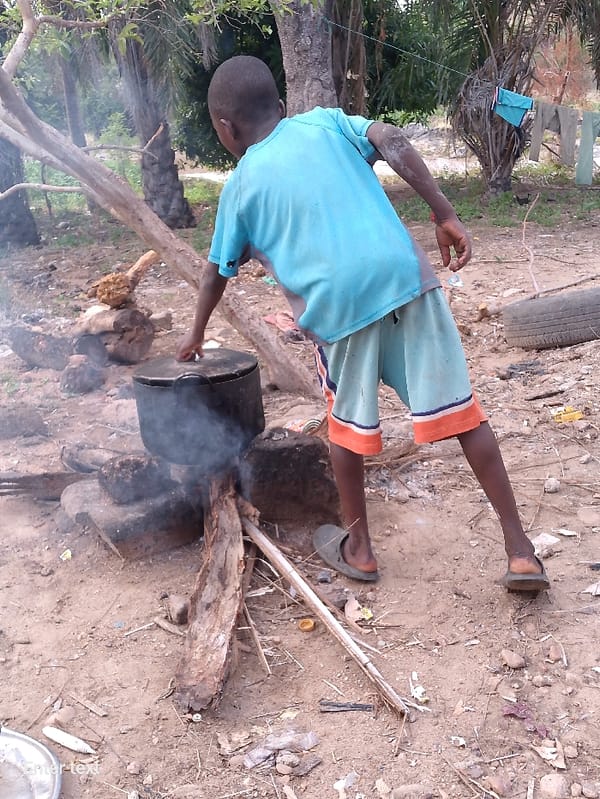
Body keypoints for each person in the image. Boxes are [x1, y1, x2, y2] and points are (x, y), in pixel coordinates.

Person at [176, 55, 549, 592]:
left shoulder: (238, 188)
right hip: (407, 281)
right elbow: (391, 137)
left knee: (346, 428)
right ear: (281, 107)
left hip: (339, 309)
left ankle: (361, 548)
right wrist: (444, 212)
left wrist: (193, 334)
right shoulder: (325, 122)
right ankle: (521, 552)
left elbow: (215, 273)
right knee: (465, 416)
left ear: (225, 128)